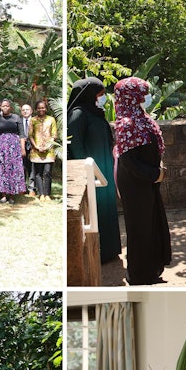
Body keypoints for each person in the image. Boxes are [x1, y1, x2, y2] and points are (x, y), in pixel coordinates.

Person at [113, 77, 171, 285]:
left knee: (152, 224)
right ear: (131, 96)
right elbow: (129, 162)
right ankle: (140, 274)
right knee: (140, 227)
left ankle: (153, 268)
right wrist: (156, 174)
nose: (146, 97)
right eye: (143, 93)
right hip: (136, 182)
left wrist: (157, 171)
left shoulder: (140, 117)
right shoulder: (126, 123)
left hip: (147, 180)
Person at [68, 77, 120, 263]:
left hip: (103, 166)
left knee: (106, 208)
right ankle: (100, 252)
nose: (103, 98)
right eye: (100, 94)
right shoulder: (78, 114)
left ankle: (110, 249)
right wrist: (84, 170)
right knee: (96, 208)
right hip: (91, 171)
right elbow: (75, 144)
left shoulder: (95, 112)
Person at [0, 99, 27, 203]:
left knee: (13, 171)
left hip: (14, 149)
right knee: (2, 170)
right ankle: (3, 195)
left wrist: (22, 148)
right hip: (0, 148)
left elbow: (22, 134)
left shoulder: (16, 118)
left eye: (7, 106)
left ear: (10, 107)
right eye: (3, 106)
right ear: (0, 107)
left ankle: (12, 195)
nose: (5, 107)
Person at [28, 100, 57, 202]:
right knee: (38, 173)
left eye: (43, 107)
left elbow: (54, 135)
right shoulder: (32, 120)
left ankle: (47, 194)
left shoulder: (51, 119)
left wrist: (47, 146)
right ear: (36, 109)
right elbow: (30, 135)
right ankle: (41, 194)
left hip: (49, 151)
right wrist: (36, 146)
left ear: (46, 108)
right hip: (36, 151)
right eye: (39, 108)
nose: (41, 109)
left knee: (47, 172)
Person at [20, 103, 35, 195]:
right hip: (21, 147)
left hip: (34, 147)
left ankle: (31, 188)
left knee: (32, 167)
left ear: (31, 111)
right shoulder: (18, 121)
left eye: (27, 109)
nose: (25, 111)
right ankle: (22, 187)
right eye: (23, 110)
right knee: (22, 167)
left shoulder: (35, 121)